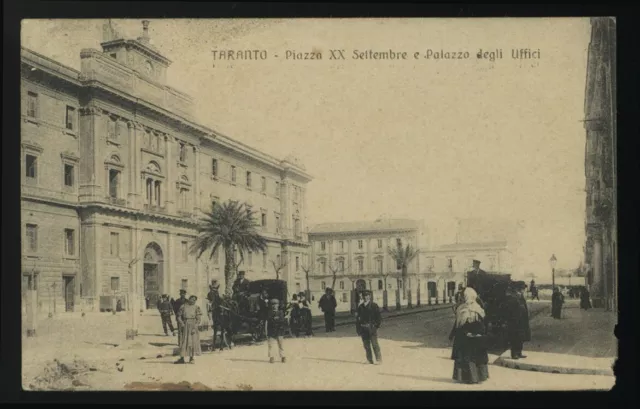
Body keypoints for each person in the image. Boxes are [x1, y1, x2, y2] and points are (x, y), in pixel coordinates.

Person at [449, 287, 489, 384]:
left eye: (463, 296)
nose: (462, 297)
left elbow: (459, 323)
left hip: (464, 336)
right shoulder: (478, 308)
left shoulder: (461, 308)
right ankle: (479, 377)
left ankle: (468, 378)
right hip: (476, 336)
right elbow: (484, 321)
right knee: (475, 356)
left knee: (467, 357)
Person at [505, 282, 531, 360]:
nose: (524, 290)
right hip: (515, 321)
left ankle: (519, 352)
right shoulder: (512, 297)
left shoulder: (521, 296)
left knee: (521, 337)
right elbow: (510, 310)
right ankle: (514, 354)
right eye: (523, 289)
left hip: (522, 320)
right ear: (518, 289)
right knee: (515, 337)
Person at [356, 291, 382, 365]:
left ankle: (378, 359)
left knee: (374, 344)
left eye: (367, 296)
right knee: (366, 345)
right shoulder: (360, 307)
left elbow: (378, 318)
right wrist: (358, 329)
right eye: (364, 296)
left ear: (370, 296)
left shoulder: (374, 306)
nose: (365, 297)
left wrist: (376, 326)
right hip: (363, 328)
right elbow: (358, 319)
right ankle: (369, 359)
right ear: (362, 297)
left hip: (371, 328)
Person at [175, 295, 203, 364]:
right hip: (185, 325)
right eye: (192, 299)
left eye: (194, 300)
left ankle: (191, 358)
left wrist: (195, 327)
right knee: (183, 341)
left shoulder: (197, 308)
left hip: (193, 326)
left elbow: (198, 319)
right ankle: (182, 358)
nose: (193, 301)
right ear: (189, 299)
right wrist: (182, 324)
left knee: (192, 342)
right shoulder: (183, 306)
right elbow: (178, 316)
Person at [266, 299, 287, 363]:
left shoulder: (280, 312)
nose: (274, 306)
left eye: (276, 304)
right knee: (270, 345)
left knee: (281, 345)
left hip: (279, 331)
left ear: (278, 305)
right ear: (271, 306)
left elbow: (282, 321)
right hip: (271, 331)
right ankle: (271, 357)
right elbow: (269, 321)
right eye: (273, 304)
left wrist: (275, 320)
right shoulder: (269, 313)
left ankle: (283, 356)